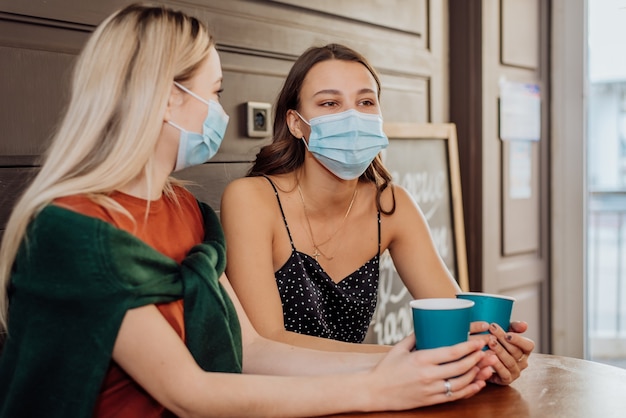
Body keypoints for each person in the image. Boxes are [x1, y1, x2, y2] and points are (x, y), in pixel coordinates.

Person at [0, 4, 499, 417]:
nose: (220, 111)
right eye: (214, 92)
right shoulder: (73, 228)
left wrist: (413, 365)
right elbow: (188, 394)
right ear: (171, 99)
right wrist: (376, 387)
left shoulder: (186, 211)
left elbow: (253, 349)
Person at [220, 43, 535, 384]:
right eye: (330, 103)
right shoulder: (251, 199)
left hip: (365, 398)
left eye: (365, 102)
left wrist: (490, 354)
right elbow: (266, 344)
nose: (352, 117)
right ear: (296, 124)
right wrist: (408, 358)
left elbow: (456, 326)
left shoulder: (393, 206)